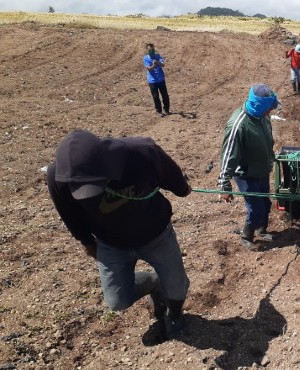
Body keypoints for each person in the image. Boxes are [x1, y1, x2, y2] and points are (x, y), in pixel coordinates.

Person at [47, 129, 192, 340]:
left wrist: (182, 188)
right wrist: (87, 243)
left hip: (156, 233)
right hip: (111, 243)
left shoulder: (140, 151)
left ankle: (175, 314)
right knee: (117, 300)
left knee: (178, 287)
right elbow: (69, 215)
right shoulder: (57, 176)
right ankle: (153, 282)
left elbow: (170, 173)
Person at [218, 84, 281, 249]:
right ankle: (247, 237)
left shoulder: (262, 116)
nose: (271, 111)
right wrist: (224, 185)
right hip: (246, 173)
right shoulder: (238, 125)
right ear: (260, 106)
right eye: (269, 108)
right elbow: (228, 155)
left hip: (261, 169)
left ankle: (261, 230)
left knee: (265, 204)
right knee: (255, 208)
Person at [144, 43, 170, 116]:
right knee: (155, 96)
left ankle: (166, 110)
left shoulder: (158, 56)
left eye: (153, 49)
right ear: (147, 50)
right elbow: (149, 69)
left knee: (165, 95)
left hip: (161, 79)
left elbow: (163, 64)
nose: (152, 51)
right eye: (150, 50)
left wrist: (158, 62)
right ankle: (159, 111)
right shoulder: (146, 58)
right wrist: (154, 65)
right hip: (152, 81)